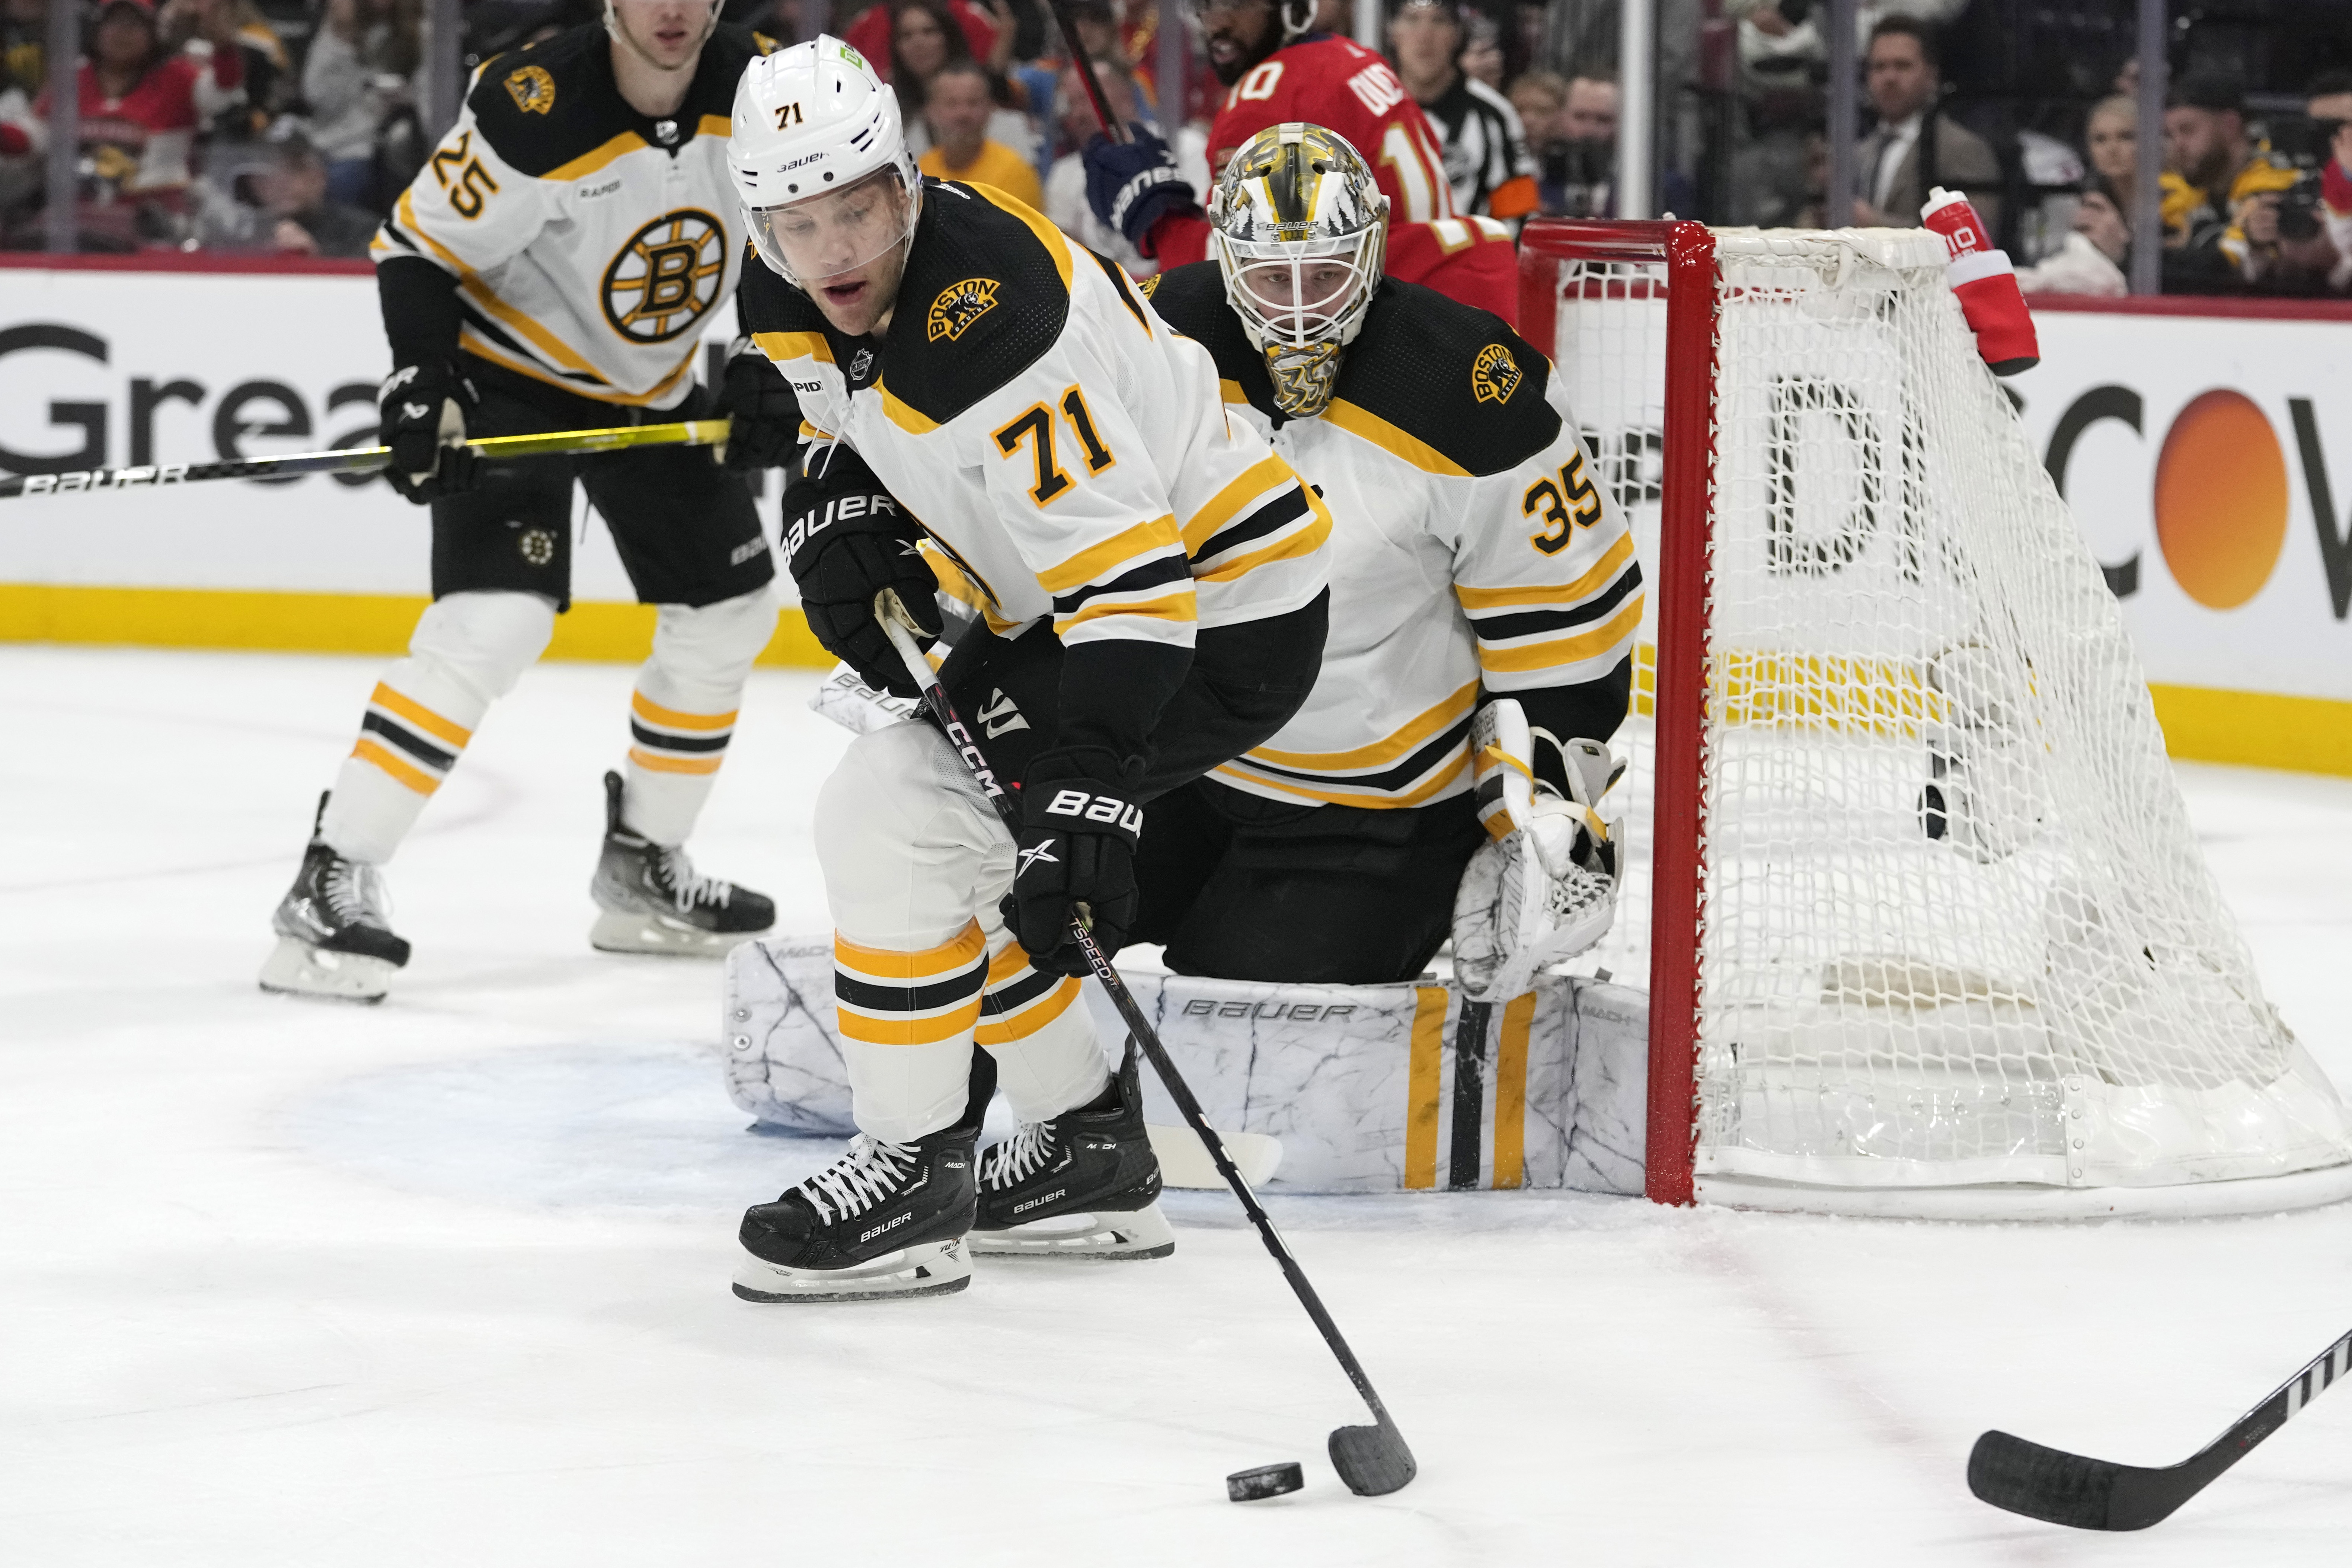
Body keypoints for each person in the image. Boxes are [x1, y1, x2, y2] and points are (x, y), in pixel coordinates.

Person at [725, 37, 1331, 1300]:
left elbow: (1135, 581)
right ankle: (1083, 1148)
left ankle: (915, 1170)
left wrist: (1089, 787)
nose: (832, 251)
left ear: (904, 183)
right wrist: (830, 502)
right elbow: (842, 425)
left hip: (1214, 614)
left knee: (894, 810)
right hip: (1062, 607)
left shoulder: (994, 321)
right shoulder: (785, 285)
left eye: (855, 210)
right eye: (797, 222)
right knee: (948, 838)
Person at [258, 0, 795, 1003]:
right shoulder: (534, 103)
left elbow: (794, 232)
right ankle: (329, 876)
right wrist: (422, 380)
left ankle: (644, 864)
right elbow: (418, 247)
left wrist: (771, 356)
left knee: (730, 607)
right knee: (496, 621)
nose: (673, 10)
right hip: (510, 376)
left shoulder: (765, 92)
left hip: (651, 386)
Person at [1133, 121, 1639, 984]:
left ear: (1370, 252)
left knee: (1241, 1011)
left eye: (1326, 274)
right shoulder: (1157, 338)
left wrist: (1550, 811)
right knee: (1003, 916)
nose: (1299, 311)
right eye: (1271, 277)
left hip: (1377, 810)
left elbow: (1569, 624)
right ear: (1226, 259)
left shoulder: (1465, 388)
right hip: (1187, 764)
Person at [1078, 0, 1519, 322]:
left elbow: (1239, 276)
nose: (1218, 22)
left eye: (1236, 3)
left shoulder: (1266, 97)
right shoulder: (1355, 59)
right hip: (1439, 302)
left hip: (1366, 325)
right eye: (1206, 5)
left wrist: (1158, 220)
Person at [1042, 52, 1207, 274]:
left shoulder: (1187, 147)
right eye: (1071, 104)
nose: (1079, 114)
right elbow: (1063, 257)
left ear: (1125, 95)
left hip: (1179, 280)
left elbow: (1204, 225)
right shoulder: (1064, 174)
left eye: (1085, 98)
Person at [1387, 0, 1538, 226]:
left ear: (1458, 34)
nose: (1424, 36)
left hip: (1470, 249)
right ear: (1392, 32)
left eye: (1439, 21)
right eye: (1412, 20)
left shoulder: (1494, 114)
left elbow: (1520, 216)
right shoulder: (1365, 106)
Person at [1850, 16, 2000, 235]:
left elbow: (1974, 237)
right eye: (1879, 67)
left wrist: (1875, 224)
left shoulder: (1963, 149)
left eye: (1902, 66)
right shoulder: (1858, 153)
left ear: (1931, 76)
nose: (1889, 77)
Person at [2160, 71, 2295, 293]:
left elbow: (2224, 269)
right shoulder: (2184, 184)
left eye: (2188, 130)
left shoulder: (2276, 183)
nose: (2178, 145)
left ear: (2230, 125)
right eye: (2170, 135)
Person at [915, 57, 1040, 208]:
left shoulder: (1015, 172)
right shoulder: (920, 171)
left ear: (990, 109)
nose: (963, 113)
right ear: (930, 112)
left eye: (973, 103)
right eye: (952, 104)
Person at [255, 129, 378, 256]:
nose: (281, 182)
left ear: (320, 175)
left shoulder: (365, 231)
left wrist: (315, 257)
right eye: (268, 171)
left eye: (295, 168)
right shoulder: (247, 233)